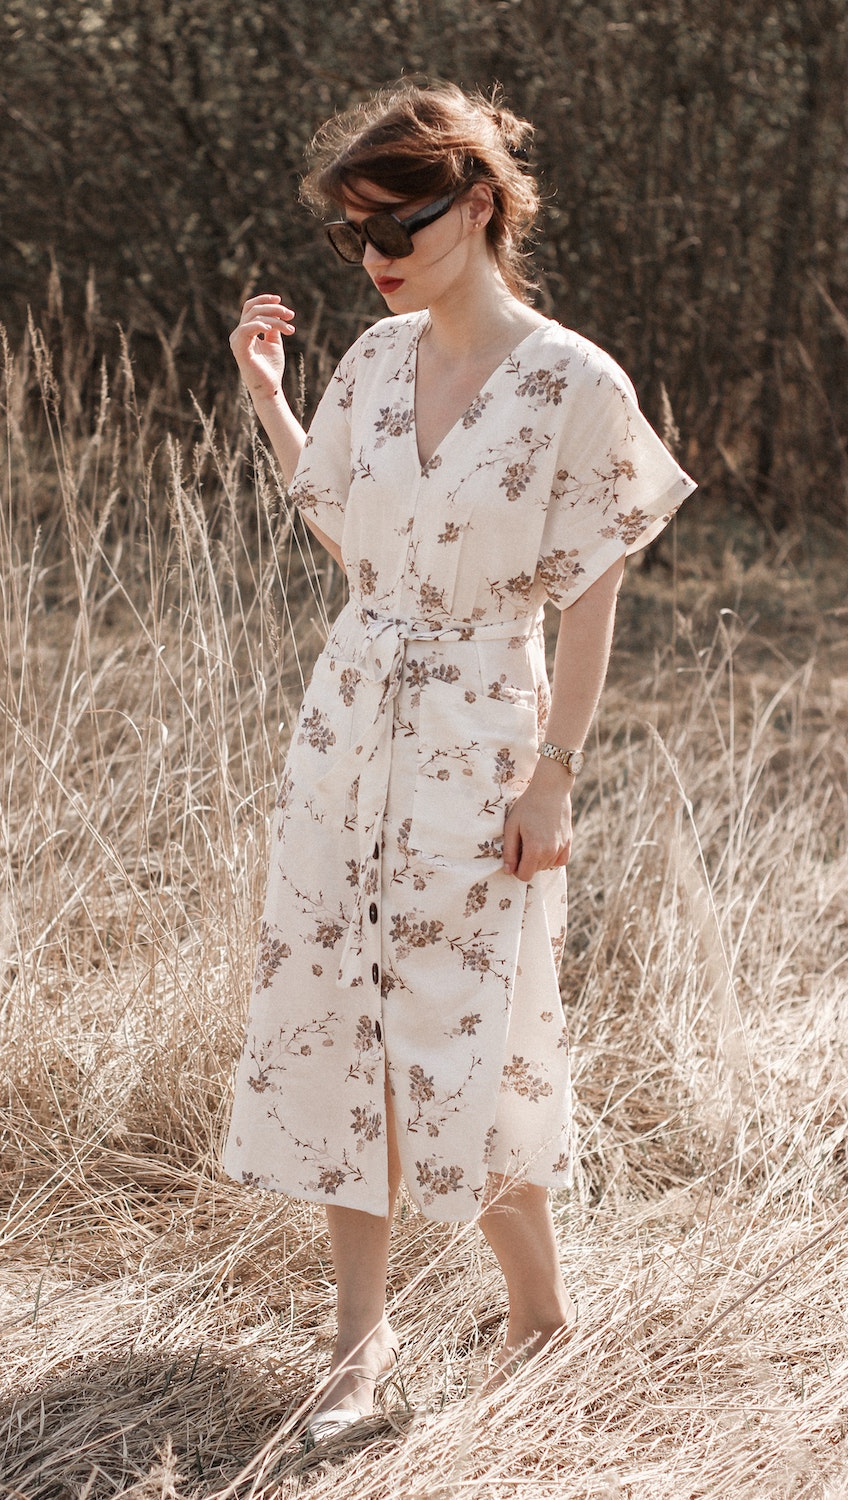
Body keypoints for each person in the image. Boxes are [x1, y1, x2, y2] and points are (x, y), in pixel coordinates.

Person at [223, 80, 696, 1440]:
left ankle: (539, 1313)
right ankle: (356, 1351)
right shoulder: (373, 362)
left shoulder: (575, 383)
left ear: (478, 204)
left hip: (484, 733)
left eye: (399, 225)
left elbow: (592, 594)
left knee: (467, 1028)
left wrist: (556, 771)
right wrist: (273, 405)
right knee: (339, 1023)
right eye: (352, 234)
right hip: (349, 721)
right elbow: (364, 545)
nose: (374, 256)